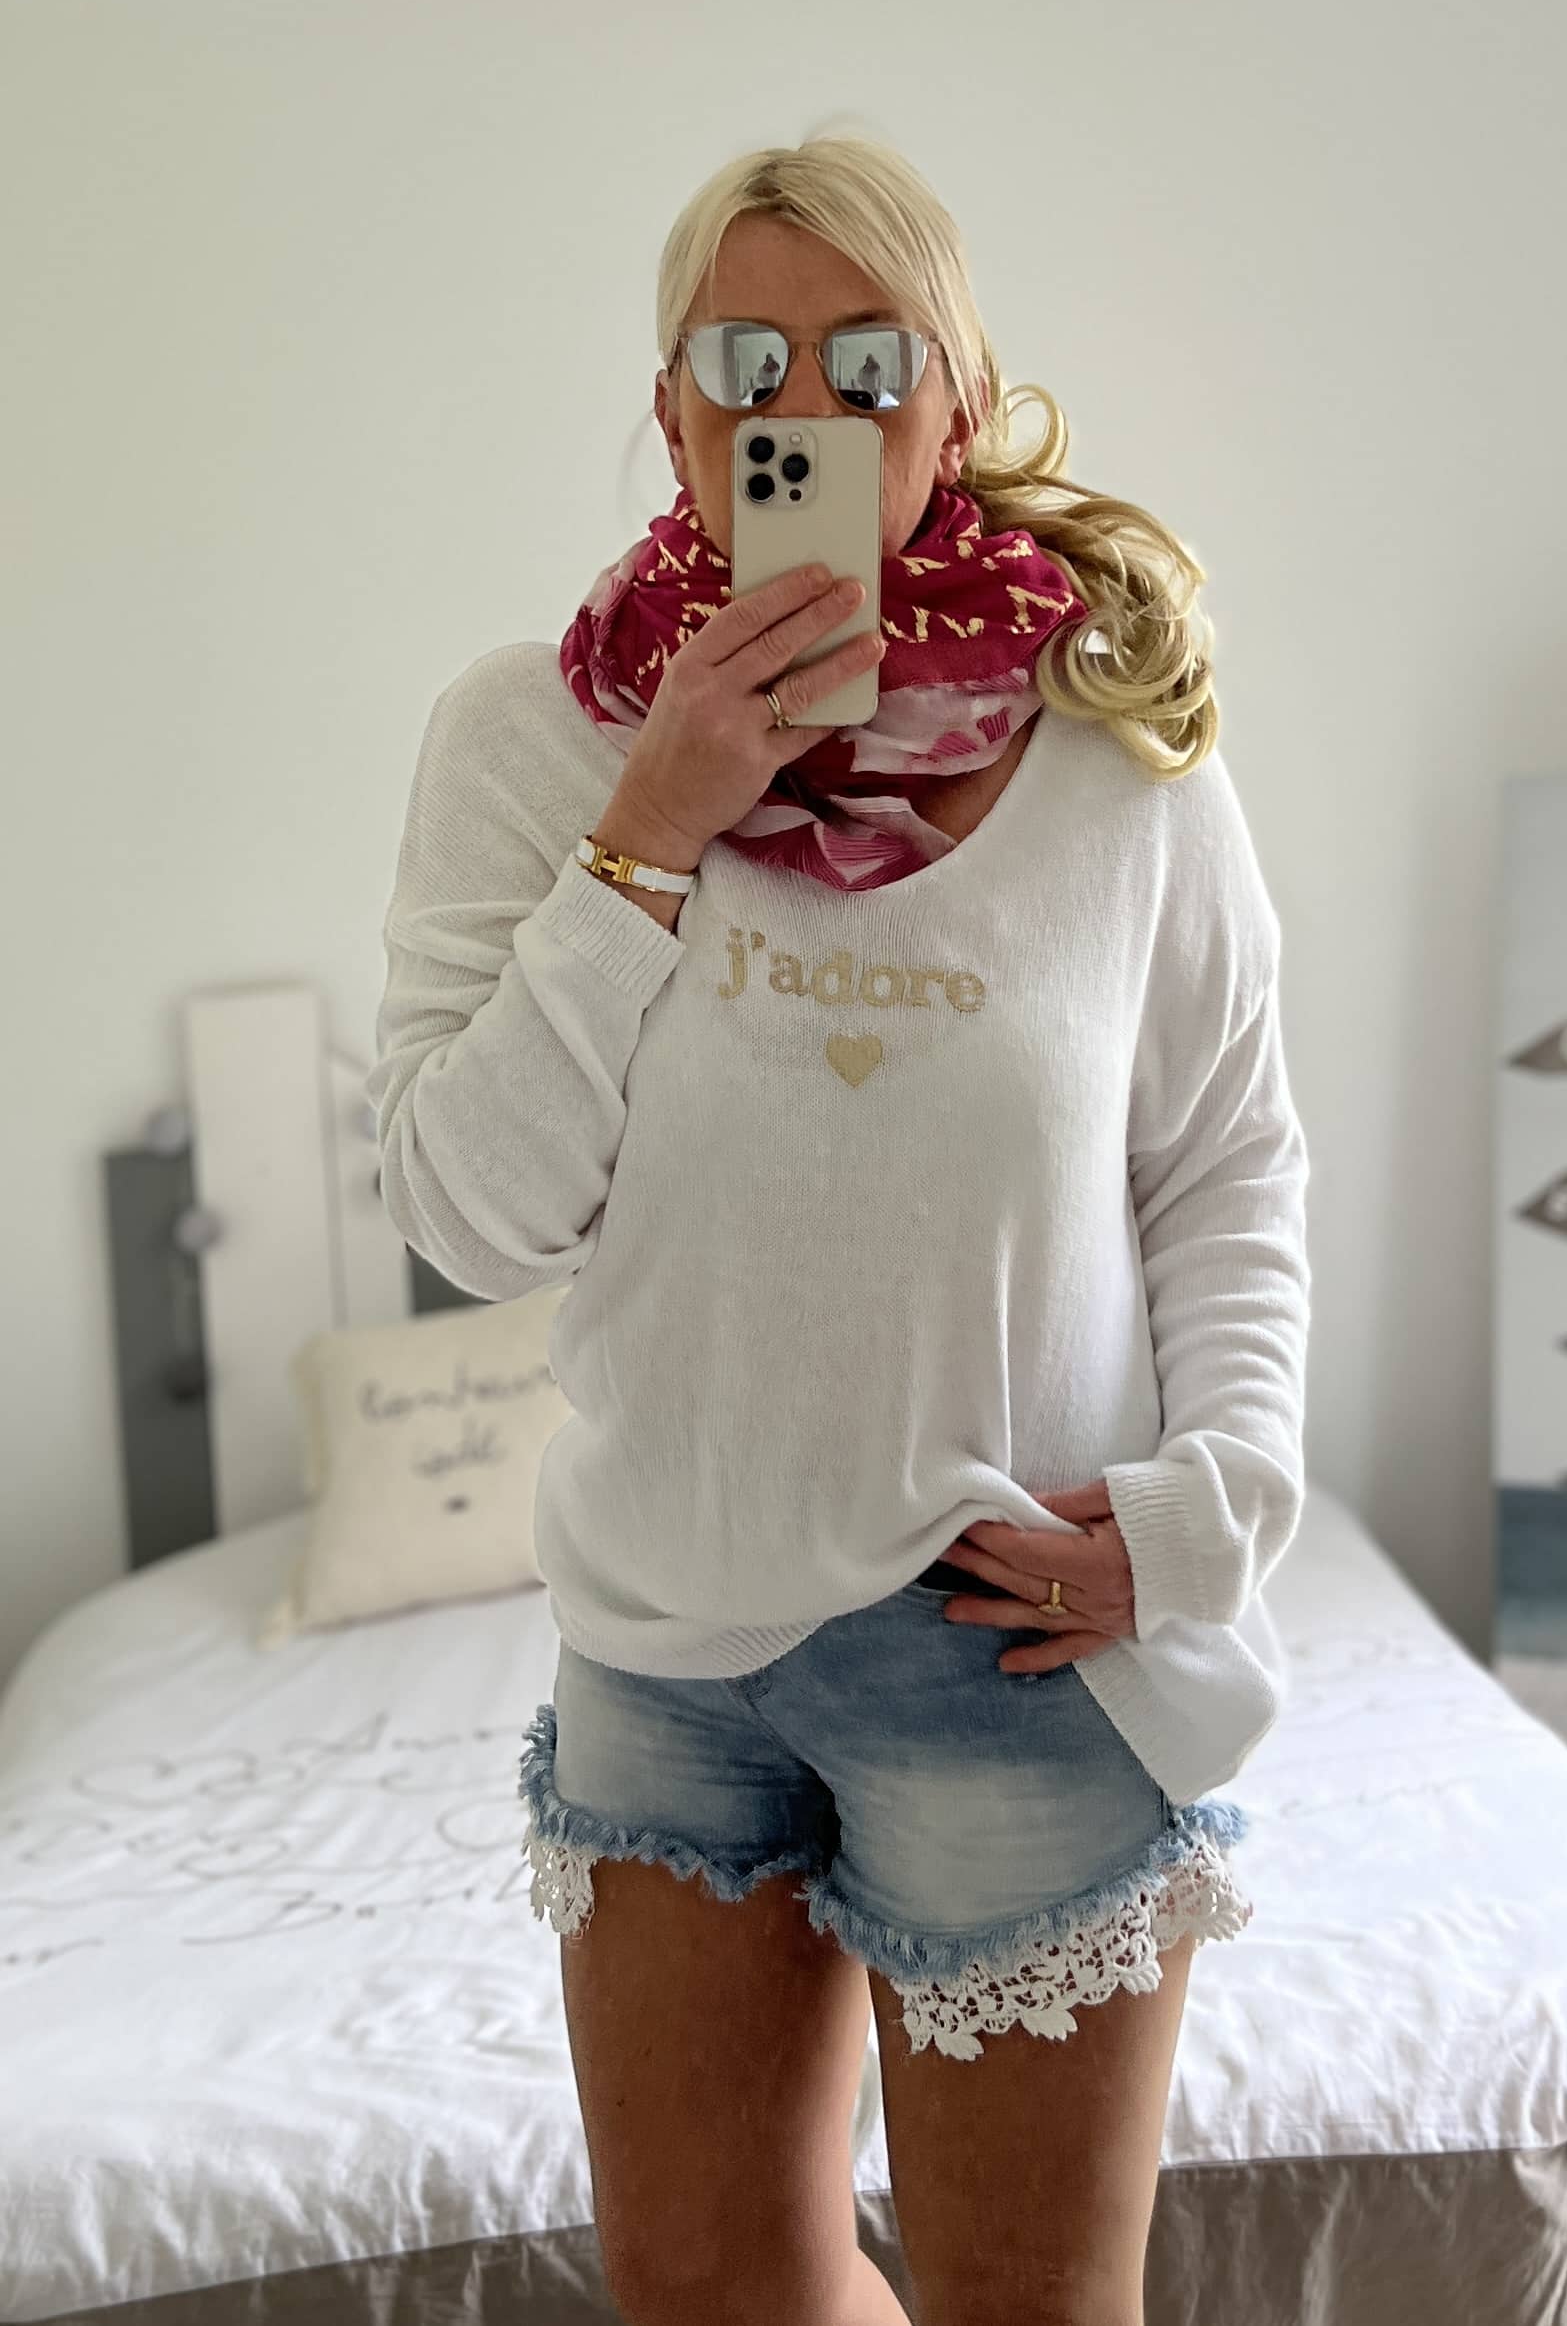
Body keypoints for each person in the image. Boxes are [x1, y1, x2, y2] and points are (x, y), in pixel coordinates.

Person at [368, 130, 1311, 2326]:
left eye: (870, 362)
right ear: (673, 411)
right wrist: (651, 825)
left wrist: (1216, 1512)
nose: (804, 404)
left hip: (1009, 1637)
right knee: (710, 2292)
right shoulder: (529, 739)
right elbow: (470, 1214)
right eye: (745, 362)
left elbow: (1227, 1161)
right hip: (661, 1649)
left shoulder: (1120, 757)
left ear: (952, 407)